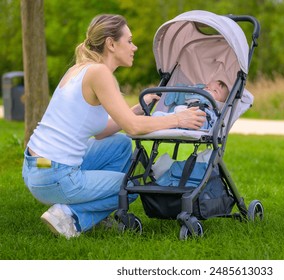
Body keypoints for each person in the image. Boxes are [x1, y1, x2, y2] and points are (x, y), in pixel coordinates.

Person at [21, 14, 206, 239]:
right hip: (54, 175)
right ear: (111, 43)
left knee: (119, 145)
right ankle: (70, 216)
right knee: (129, 188)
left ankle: (93, 209)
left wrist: (136, 109)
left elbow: (101, 132)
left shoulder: (80, 69)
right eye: (129, 41)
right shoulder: (100, 74)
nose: (134, 47)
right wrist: (179, 119)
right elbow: (134, 128)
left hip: (37, 166)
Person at [152, 80, 229, 130]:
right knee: (158, 114)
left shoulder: (213, 109)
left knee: (200, 117)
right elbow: (182, 95)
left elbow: (214, 122)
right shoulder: (194, 95)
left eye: (215, 91)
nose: (208, 89)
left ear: (220, 103)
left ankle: (178, 124)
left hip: (201, 118)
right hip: (185, 113)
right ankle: (161, 118)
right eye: (207, 86)